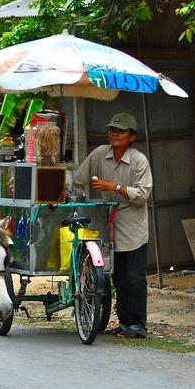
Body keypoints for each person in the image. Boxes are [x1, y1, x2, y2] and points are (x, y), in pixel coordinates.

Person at [72, 112, 153, 339]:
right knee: (118, 278)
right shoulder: (100, 154)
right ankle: (124, 322)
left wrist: (114, 187)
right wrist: (77, 206)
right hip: (107, 224)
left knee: (135, 278)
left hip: (132, 225)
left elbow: (142, 195)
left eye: (121, 131)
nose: (114, 134)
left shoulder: (138, 160)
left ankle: (138, 325)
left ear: (131, 137)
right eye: (112, 130)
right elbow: (78, 181)